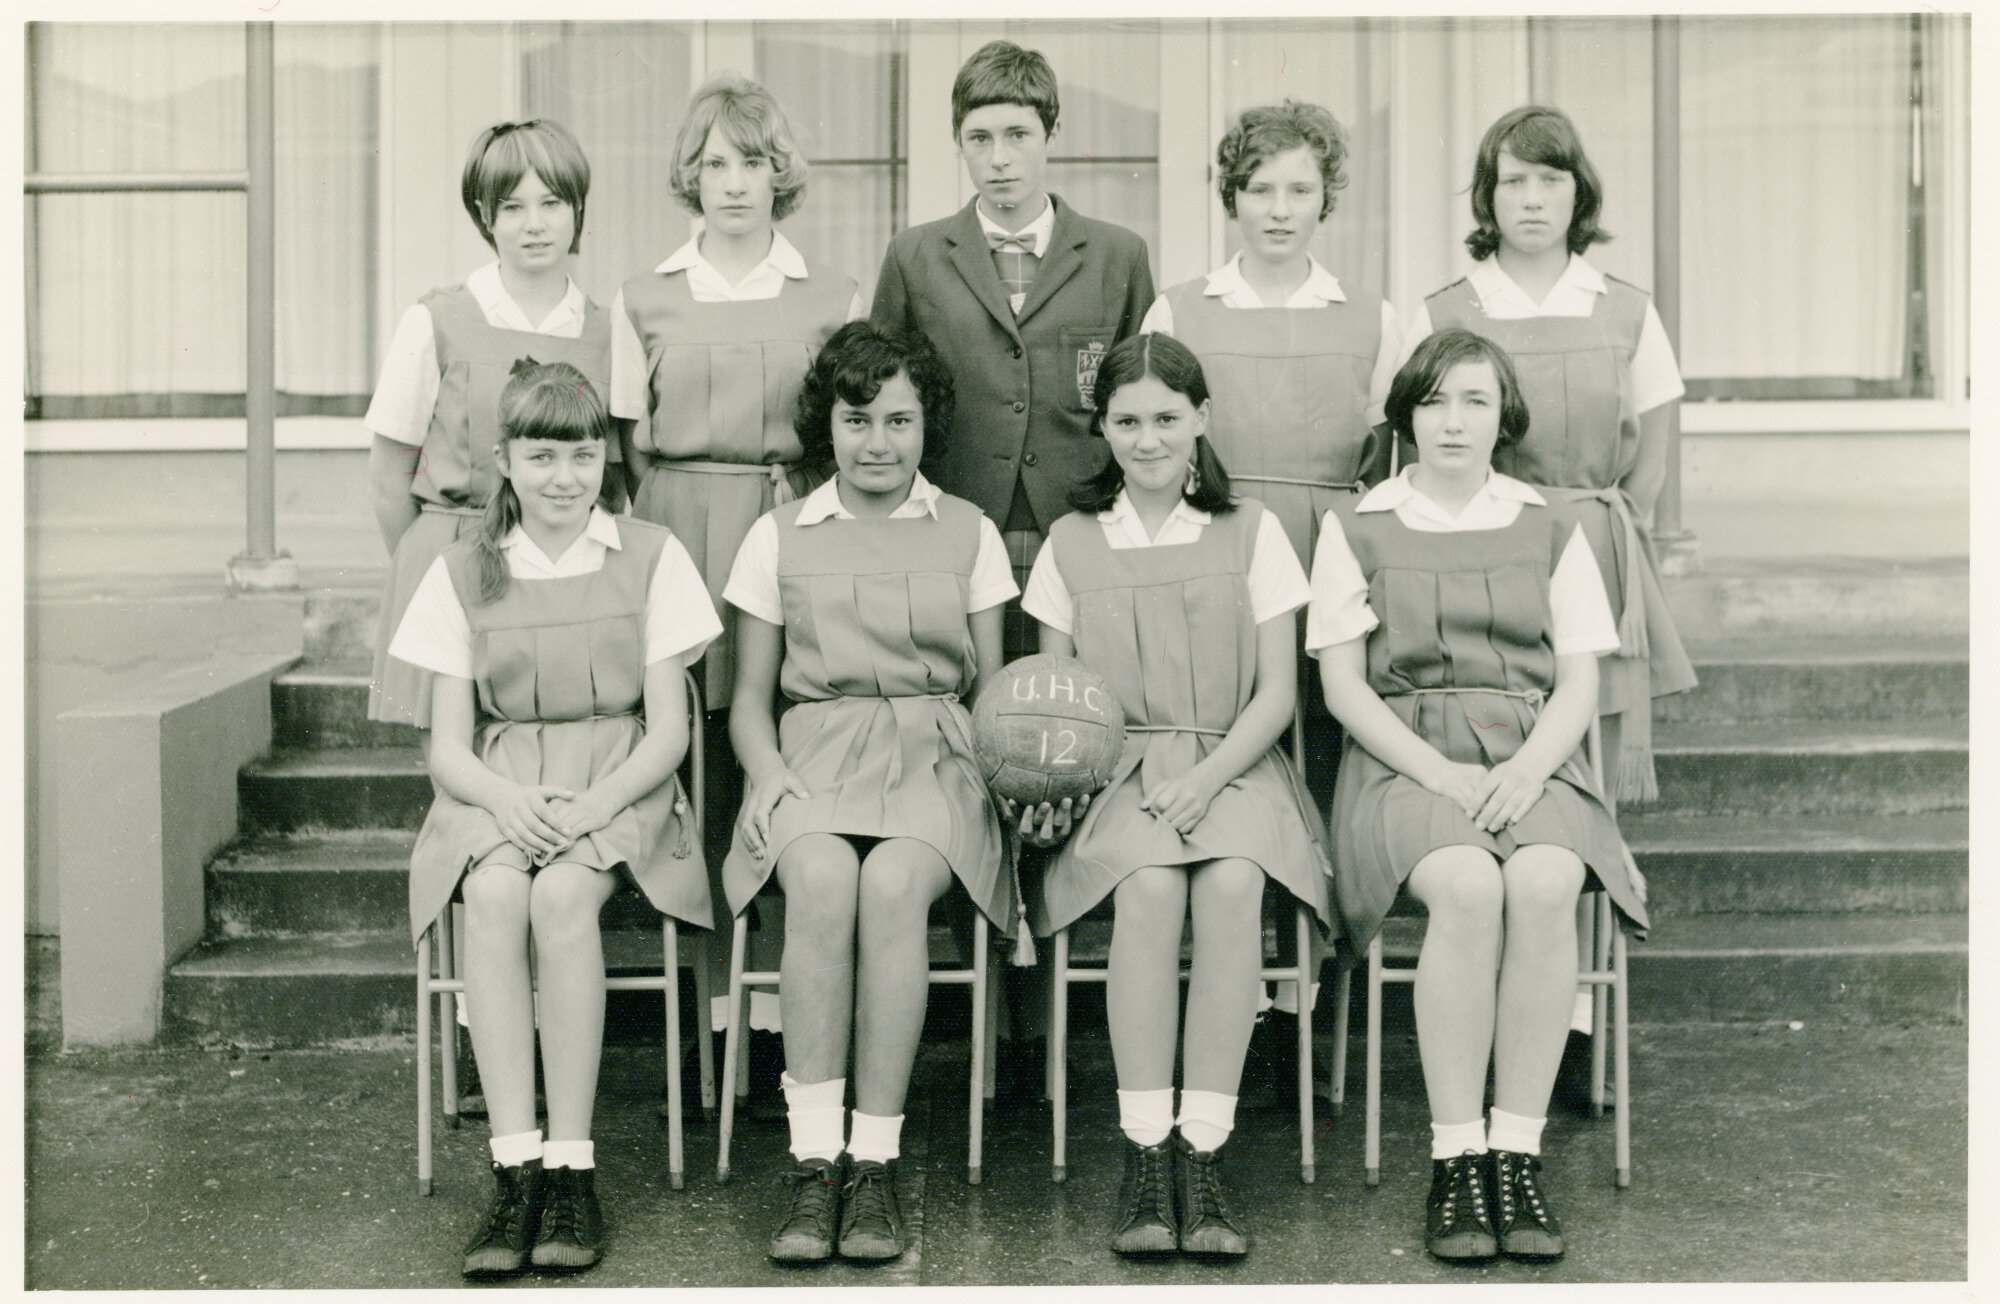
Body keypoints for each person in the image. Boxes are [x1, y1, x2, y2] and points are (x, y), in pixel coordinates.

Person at [1308, 329, 1648, 1265]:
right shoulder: (1358, 527)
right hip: (1404, 757)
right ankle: (1456, 1155)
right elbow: (1344, 690)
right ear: (1406, 414)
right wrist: (1443, 774)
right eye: (1434, 402)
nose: (1453, 423)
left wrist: (1529, 770)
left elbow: (1578, 682)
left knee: (1541, 884)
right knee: (1464, 884)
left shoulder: (1551, 523)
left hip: (1533, 752)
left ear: (1505, 418)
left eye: (1475, 402)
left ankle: (1517, 1150)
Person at [870, 34, 1155, 1098]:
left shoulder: (1116, 254)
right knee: (981, 762)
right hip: (964, 547)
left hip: (1076, 544)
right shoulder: (916, 255)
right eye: (978, 137)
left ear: (1050, 139)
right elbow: (886, 390)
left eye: (1016, 135)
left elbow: (1137, 395)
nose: (997, 158)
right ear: (959, 145)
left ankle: (1051, 1024)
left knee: (1067, 755)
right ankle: (988, 1015)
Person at [390, 360, 719, 1277]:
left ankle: (572, 1166)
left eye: (581, 454)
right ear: (504, 460)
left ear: (604, 456)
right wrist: (507, 802)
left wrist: (597, 807)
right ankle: (514, 1166)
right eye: (541, 457)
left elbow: (668, 730)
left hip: (618, 778)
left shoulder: (651, 555)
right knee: (495, 900)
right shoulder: (462, 570)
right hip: (500, 781)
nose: (564, 477)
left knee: (564, 900)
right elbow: (447, 747)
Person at [1019, 333, 1331, 1261]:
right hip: (1118, 770)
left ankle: (1206, 1148)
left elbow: (1277, 692)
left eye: (1166, 418)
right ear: (1102, 428)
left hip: (1235, 760)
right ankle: (1147, 1149)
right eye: (1126, 421)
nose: (1147, 439)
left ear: (1202, 418)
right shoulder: (1071, 544)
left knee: (1233, 883)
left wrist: (1208, 776)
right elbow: (1051, 699)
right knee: (1151, 890)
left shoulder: (1253, 530)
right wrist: (1052, 788)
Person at [721, 322, 1018, 1265]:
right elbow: (747, 702)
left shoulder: (970, 532)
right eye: (858, 420)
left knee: (892, 886)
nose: (878, 441)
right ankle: (815, 1163)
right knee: (816, 878)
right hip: (812, 749)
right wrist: (769, 776)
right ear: (829, 426)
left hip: (937, 753)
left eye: (899, 419)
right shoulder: (777, 536)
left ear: (928, 424)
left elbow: (993, 695)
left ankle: (877, 1158)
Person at [1140, 98, 1400, 1091]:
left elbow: (1389, 464)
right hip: (1219, 559)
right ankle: (1230, 1006)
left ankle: (1306, 1007)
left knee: (1324, 776)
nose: (1278, 209)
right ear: (1230, 197)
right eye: (1259, 189)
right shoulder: (1180, 306)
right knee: (1229, 766)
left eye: (1299, 188)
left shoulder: (1375, 317)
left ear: (1326, 195)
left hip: (1329, 559)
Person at [610, 73, 863, 1082]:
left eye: (751, 162)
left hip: (797, 527)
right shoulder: (643, 296)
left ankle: (779, 1025)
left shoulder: (832, 293)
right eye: (713, 162)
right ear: (689, 174)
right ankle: (709, 1015)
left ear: (779, 173)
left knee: (787, 749)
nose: (732, 183)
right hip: (679, 528)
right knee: (698, 773)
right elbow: (629, 447)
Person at [1407, 104, 1695, 804]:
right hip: (1483, 549)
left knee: (1587, 731)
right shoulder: (1445, 312)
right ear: (1487, 195)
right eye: (1512, 182)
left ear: (1579, 191)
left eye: (1550, 178)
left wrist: (1600, 530)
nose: (1532, 198)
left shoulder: (1625, 309)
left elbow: (1650, 466)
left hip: (1593, 544)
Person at [367, 119, 616, 731]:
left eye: (552, 203)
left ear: (577, 209)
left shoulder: (608, 331)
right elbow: (387, 476)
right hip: (454, 558)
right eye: (512, 206)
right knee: (457, 774)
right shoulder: (436, 320)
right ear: (486, 216)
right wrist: (434, 564)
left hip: (561, 571)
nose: (534, 223)